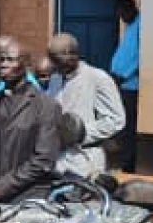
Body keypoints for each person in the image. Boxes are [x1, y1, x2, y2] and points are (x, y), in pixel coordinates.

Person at [0, 37, 64, 202]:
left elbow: (43, 160)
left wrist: (0, 189)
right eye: (1, 59)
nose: (3, 64)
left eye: (10, 60)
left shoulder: (45, 105)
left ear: (26, 64)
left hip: (25, 197)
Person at [48, 32, 125, 176]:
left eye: (58, 60)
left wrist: (80, 133)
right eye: (52, 60)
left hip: (85, 159)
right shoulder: (55, 79)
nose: (55, 66)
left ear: (73, 55)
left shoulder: (98, 78)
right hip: (57, 159)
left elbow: (116, 120)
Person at [109, 0, 141, 171]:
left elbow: (143, 56)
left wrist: (125, 76)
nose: (121, 17)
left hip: (131, 85)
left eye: (122, 13)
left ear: (130, 9)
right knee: (122, 123)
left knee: (128, 126)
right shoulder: (130, 27)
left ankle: (128, 163)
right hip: (122, 84)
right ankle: (125, 159)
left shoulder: (141, 25)